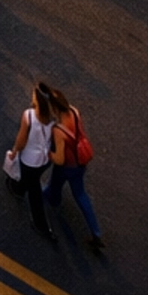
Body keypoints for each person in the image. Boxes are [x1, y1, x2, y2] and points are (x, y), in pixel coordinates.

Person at [44, 85, 104, 252]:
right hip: (80, 163)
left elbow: (59, 159)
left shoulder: (58, 130)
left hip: (66, 167)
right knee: (80, 194)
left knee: (54, 185)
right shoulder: (75, 112)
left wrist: (47, 153)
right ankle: (96, 232)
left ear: (55, 108)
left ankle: (50, 200)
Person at [8, 84, 56, 238]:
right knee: (31, 179)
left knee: (34, 192)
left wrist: (15, 151)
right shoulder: (53, 119)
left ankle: (40, 223)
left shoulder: (29, 116)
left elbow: (22, 140)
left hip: (30, 160)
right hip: (44, 160)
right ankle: (18, 188)